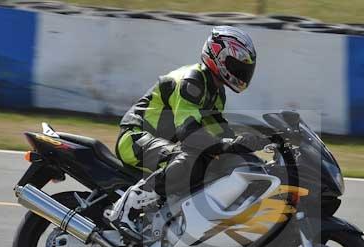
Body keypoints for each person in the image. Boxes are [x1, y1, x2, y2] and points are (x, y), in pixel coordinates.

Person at [108, 26, 267, 227]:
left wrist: (252, 143)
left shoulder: (216, 92)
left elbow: (221, 133)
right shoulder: (192, 80)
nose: (241, 72)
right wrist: (228, 145)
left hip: (165, 145)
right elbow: (189, 132)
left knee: (218, 161)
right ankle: (129, 206)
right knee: (191, 157)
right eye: (235, 64)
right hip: (135, 138)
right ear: (218, 56)